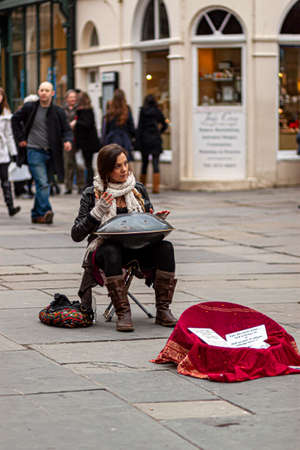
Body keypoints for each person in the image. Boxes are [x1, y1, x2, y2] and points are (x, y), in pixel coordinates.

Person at [71, 143, 177, 332]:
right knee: (111, 251)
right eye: (118, 166)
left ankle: (163, 309)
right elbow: (76, 234)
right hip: (107, 250)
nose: (124, 169)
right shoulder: (92, 193)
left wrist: (155, 220)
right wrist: (97, 212)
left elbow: (144, 219)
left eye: (125, 164)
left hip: (139, 247)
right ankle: (123, 312)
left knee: (166, 247)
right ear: (105, 170)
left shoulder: (137, 189)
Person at [12, 81, 72, 224]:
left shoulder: (58, 112)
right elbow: (15, 119)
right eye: (41, 90)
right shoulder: (30, 107)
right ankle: (47, 210)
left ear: (53, 93)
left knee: (43, 184)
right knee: (43, 183)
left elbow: (67, 130)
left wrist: (68, 141)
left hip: (51, 153)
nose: (44, 92)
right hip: (33, 150)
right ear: (38, 92)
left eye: (47, 90)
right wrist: (20, 138)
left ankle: (36, 215)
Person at [137, 94, 168, 194]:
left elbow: (140, 127)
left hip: (145, 140)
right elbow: (165, 124)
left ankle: (142, 187)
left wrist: (138, 140)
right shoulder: (157, 111)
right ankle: (156, 188)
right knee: (155, 163)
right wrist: (160, 132)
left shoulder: (142, 111)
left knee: (144, 163)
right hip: (155, 139)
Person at [0, 87, 21, 216]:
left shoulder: (6, 113)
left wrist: (13, 153)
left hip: (2, 152)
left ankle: (10, 206)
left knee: (5, 180)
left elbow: (9, 134)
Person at [72, 91, 100, 187]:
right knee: (87, 163)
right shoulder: (88, 110)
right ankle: (88, 182)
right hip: (87, 142)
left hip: (87, 142)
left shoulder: (86, 111)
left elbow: (87, 124)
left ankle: (89, 183)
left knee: (88, 164)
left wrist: (76, 123)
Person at [103, 89, 135, 163]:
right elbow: (131, 126)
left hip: (111, 139)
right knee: (124, 163)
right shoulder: (127, 109)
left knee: (112, 162)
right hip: (124, 140)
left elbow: (106, 127)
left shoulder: (110, 109)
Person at [63, 89, 85, 194]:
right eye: (70, 97)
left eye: (74, 97)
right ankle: (68, 186)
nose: (72, 99)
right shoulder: (63, 110)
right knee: (68, 163)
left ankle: (81, 185)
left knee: (79, 164)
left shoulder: (80, 109)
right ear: (66, 99)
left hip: (79, 139)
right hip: (67, 140)